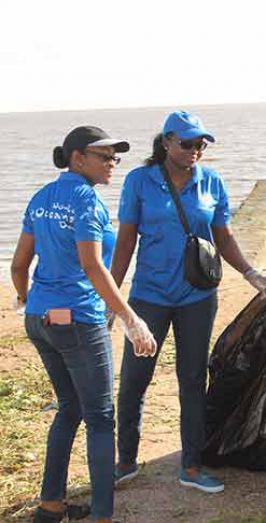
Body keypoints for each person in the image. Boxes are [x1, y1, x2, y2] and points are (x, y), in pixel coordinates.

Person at [111, 111, 266, 494]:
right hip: (148, 297)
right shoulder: (140, 181)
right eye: (187, 143)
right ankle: (125, 461)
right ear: (167, 142)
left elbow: (223, 236)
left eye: (201, 144)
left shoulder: (212, 182)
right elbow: (125, 243)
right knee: (134, 381)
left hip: (197, 298)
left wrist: (251, 273)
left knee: (191, 380)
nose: (195, 151)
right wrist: (112, 298)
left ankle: (191, 464)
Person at [10, 126, 157, 523]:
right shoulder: (87, 201)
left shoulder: (40, 198)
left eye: (116, 158)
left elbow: (19, 265)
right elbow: (93, 266)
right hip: (77, 320)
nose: (112, 164)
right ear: (78, 158)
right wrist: (130, 318)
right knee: (99, 417)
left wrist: (27, 300)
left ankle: (51, 506)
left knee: (69, 407)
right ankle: (103, 516)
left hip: (40, 320)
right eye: (104, 156)